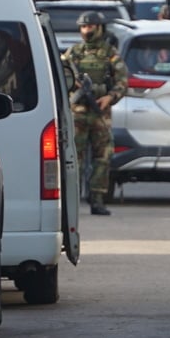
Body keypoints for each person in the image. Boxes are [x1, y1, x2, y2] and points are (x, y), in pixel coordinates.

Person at [60, 11, 128, 216]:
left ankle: (97, 199)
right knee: (74, 159)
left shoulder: (110, 54)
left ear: (100, 28)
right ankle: (72, 201)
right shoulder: (73, 54)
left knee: (103, 157)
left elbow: (122, 82)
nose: (86, 30)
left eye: (90, 26)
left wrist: (110, 97)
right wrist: (74, 86)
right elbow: (61, 77)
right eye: (83, 27)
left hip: (100, 114)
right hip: (77, 112)